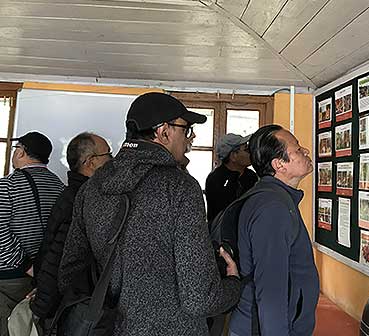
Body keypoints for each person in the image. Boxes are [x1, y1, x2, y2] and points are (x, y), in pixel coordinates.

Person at [58, 92, 241, 335]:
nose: (191, 138)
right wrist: (233, 285)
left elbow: (70, 274)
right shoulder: (179, 187)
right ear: (164, 132)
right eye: (186, 129)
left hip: (106, 328)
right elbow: (199, 298)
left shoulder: (91, 187)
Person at [229, 124, 319, 336]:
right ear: (280, 165)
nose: (305, 151)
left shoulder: (276, 198)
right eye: (297, 149)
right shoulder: (273, 208)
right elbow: (270, 289)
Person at [30, 132, 112, 327]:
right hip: (68, 306)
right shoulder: (81, 201)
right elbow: (57, 256)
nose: (112, 160)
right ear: (90, 162)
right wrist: (43, 304)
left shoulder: (72, 194)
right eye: (108, 154)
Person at [0, 131, 64, 336]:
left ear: (22, 153)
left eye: (16, 148)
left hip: (10, 278)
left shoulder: (6, 186)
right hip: (46, 279)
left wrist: (26, 265)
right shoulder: (61, 187)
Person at [205, 133, 258, 222]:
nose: (250, 152)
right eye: (246, 150)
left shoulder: (251, 176)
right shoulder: (216, 179)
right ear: (233, 156)